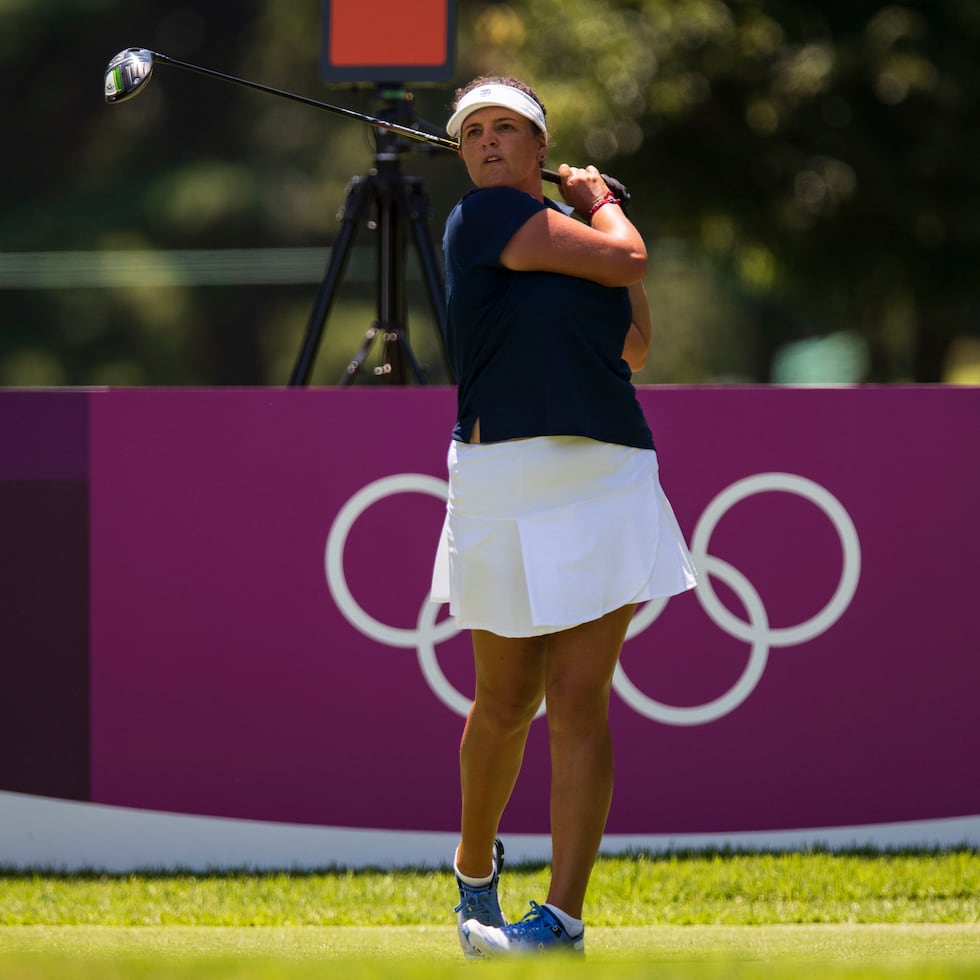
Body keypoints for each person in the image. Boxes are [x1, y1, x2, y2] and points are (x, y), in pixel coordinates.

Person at [429, 75, 697, 958]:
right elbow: (628, 260)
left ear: (539, 148)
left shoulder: (574, 241)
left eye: (508, 130)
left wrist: (593, 220)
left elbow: (634, 341)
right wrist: (605, 202)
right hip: (502, 473)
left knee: (582, 699)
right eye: (474, 134)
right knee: (505, 700)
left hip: (604, 470)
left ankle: (564, 921)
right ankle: (475, 873)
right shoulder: (480, 221)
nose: (489, 144)